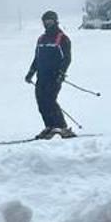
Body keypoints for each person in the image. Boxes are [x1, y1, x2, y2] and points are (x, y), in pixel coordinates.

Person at [25, 9, 73, 137]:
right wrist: (31, 72)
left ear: (55, 21)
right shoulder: (41, 39)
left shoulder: (62, 38)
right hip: (42, 76)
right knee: (41, 101)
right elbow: (37, 58)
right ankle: (50, 126)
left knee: (50, 100)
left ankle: (62, 127)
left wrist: (61, 73)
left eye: (50, 21)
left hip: (54, 76)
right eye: (45, 21)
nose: (47, 24)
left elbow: (67, 58)